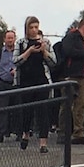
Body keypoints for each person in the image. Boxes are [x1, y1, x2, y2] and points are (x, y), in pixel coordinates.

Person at [14, 16, 56, 153]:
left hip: (41, 80)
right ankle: (25, 133)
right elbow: (15, 62)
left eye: (36, 27)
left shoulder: (46, 42)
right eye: (31, 27)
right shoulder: (20, 43)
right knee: (26, 111)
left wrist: (44, 51)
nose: (34, 30)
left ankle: (43, 143)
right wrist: (29, 51)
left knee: (43, 112)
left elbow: (54, 62)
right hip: (25, 81)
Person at [59, 19, 84, 145]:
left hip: (83, 76)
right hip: (70, 75)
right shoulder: (71, 37)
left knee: (81, 105)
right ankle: (63, 132)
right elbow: (70, 52)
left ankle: (78, 132)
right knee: (66, 105)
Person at [0, 29, 20, 142]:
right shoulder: (0, 52)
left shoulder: (18, 52)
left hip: (16, 84)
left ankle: (19, 132)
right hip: (3, 83)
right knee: (2, 109)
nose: (10, 40)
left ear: (15, 39)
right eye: (8, 38)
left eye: (12, 38)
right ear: (4, 39)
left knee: (18, 108)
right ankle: (0, 133)